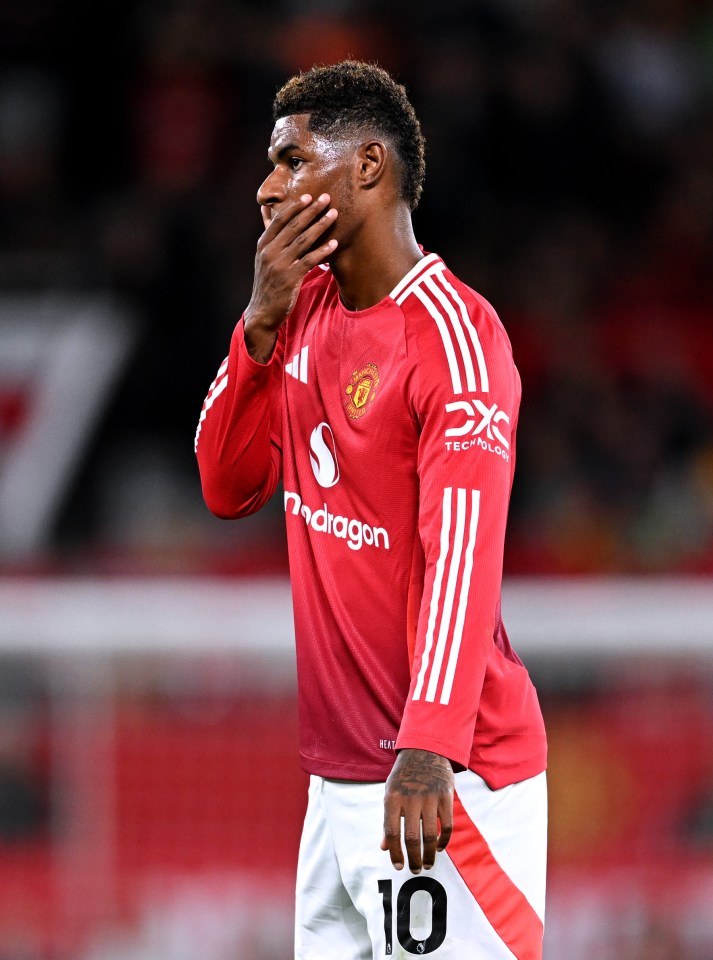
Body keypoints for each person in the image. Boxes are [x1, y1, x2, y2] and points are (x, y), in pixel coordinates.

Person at [196, 60, 547, 960]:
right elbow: (227, 485)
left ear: (367, 169)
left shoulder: (456, 338)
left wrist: (430, 747)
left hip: (444, 785)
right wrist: (259, 326)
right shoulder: (301, 309)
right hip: (337, 781)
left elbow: (461, 556)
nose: (267, 187)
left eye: (290, 159)